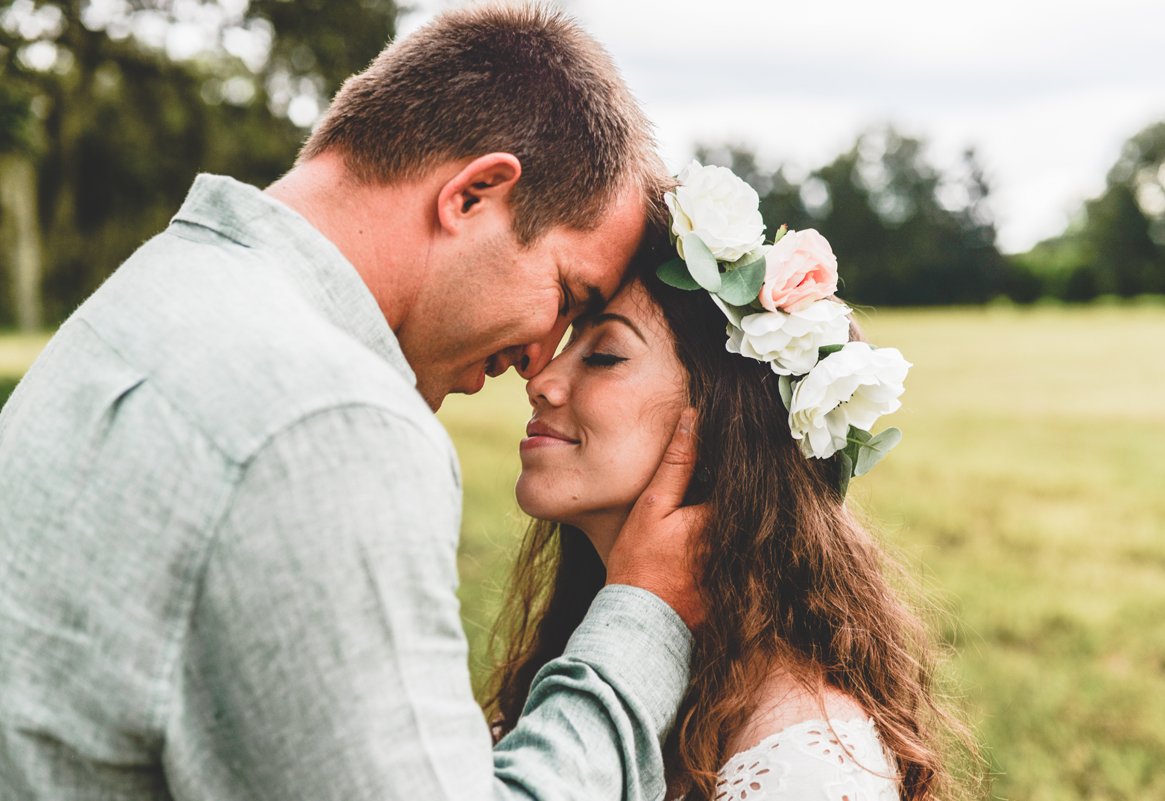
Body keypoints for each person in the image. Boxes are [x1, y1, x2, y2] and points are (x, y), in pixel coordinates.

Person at [0, 5, 705, 801]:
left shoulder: (150, 295)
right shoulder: (328, 420)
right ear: (474, 193)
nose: (541, 358)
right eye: (566, 294)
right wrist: (642, 620)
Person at [487, 164, 980, 800]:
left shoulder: (804, 768)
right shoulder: (572, 654)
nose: (542, 380)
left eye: (605, 355)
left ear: (727, 422)